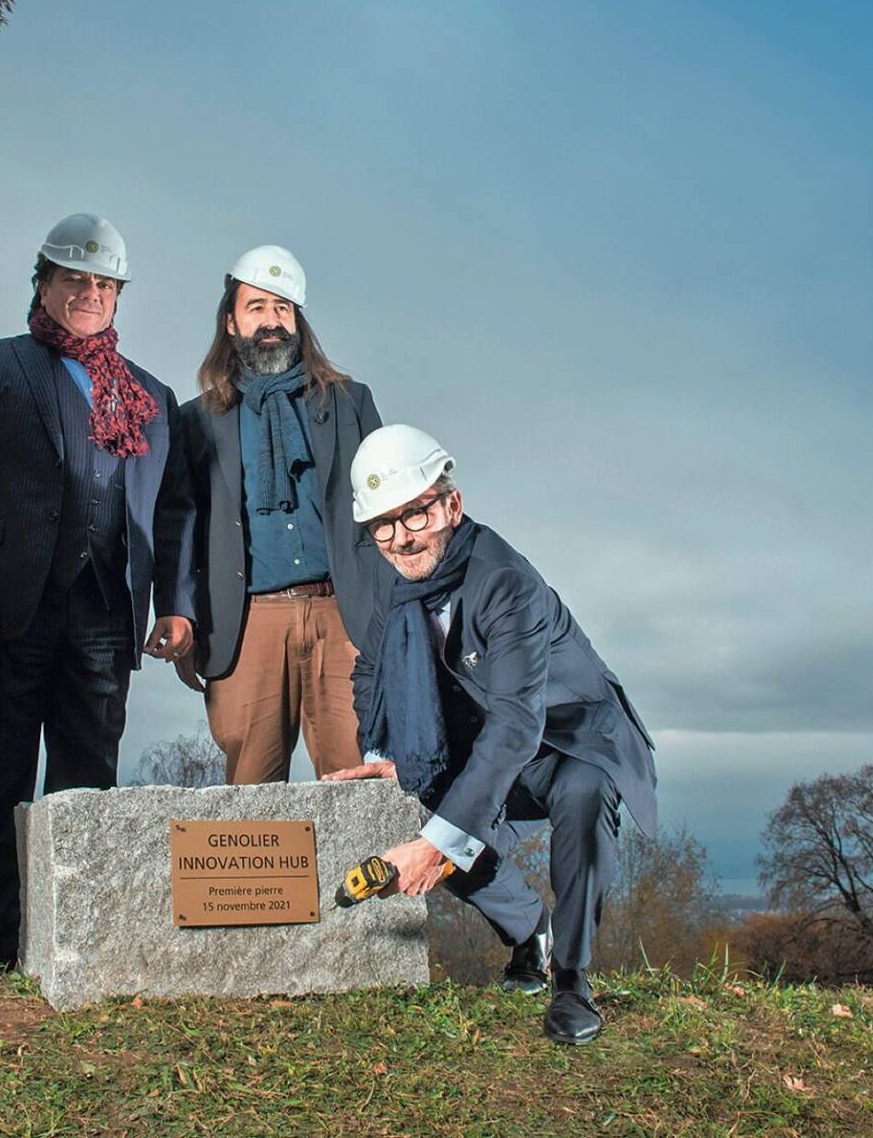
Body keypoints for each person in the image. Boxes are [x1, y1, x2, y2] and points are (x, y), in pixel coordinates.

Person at [325, 426, 657, 1045]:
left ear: (450, 505)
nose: (401, 537)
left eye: (415, 513)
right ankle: (529, 929)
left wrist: (437, 845)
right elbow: (372, 667)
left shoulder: (505, 582)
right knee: (427, 797)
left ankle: (572, 982)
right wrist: (384, 755)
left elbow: (516, 724)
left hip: (570, 741)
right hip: (492, 740)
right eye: (383, 526)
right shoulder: (395, 587)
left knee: (579, 794)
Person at [0, 214, 195, 971]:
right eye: (74, 279)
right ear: (42, 283)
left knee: (87, 791)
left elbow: (173, 514)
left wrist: (175, 604)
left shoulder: (150, 396)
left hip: (107, 616)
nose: (89, 294)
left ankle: (71, 948)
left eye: (104, 284)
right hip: (2, 611)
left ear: (119, 296)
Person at [175, 246, 383, 783]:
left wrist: (394, 611)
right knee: (251, 797)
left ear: (298, 321)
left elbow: (385, 510)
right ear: (231, 321)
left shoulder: (349, 403)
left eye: (284, 308)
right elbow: (180, 527)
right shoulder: (195, 421)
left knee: (360, 784)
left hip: (345, 616)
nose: (272, 320)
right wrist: (180, 613)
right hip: (245, 623)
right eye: (258, 307)